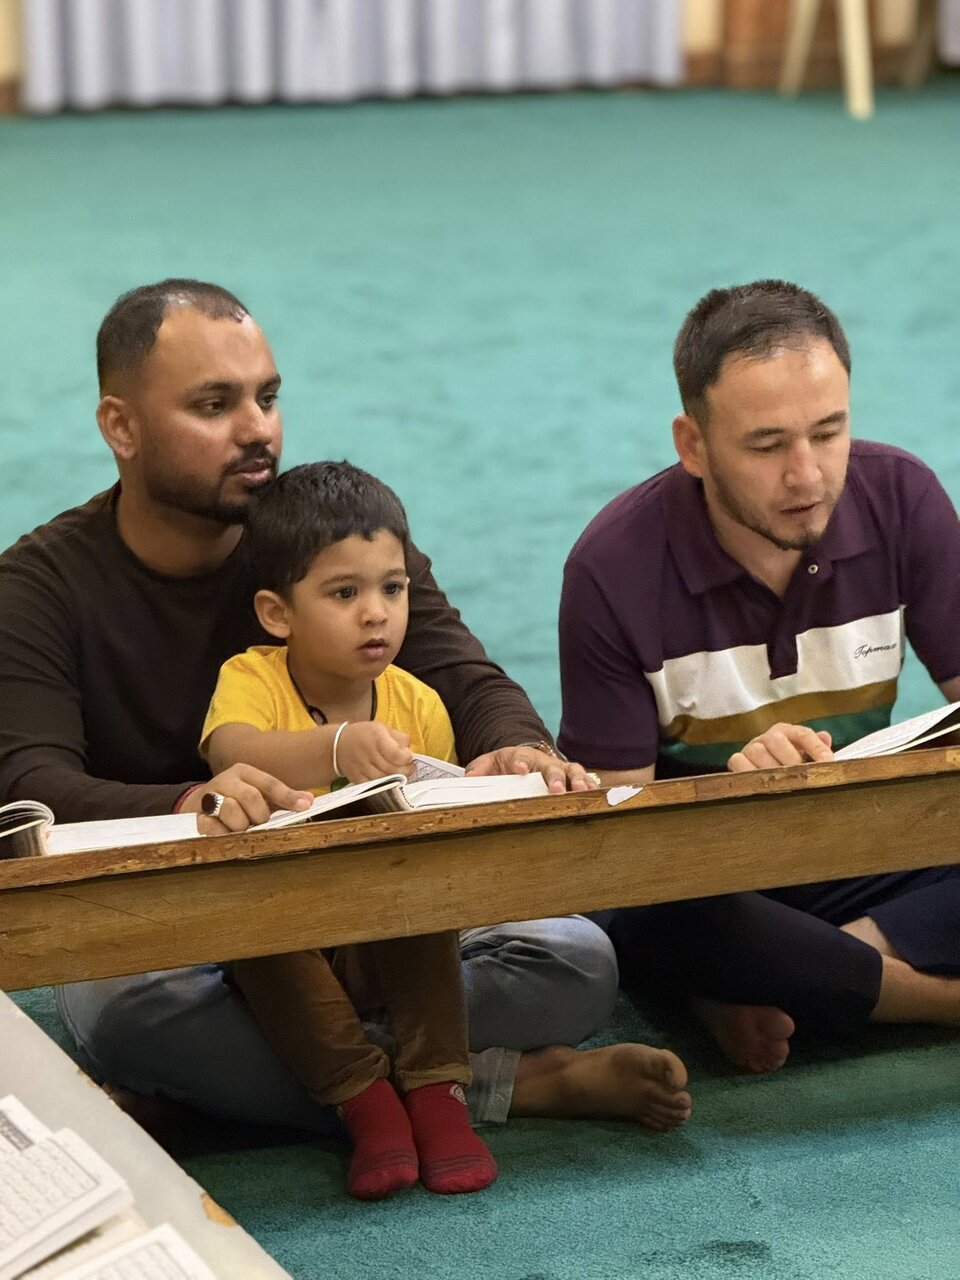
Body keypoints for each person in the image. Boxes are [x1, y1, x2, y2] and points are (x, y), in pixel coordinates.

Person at [0, 278, 691, 1136]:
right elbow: (29, 786)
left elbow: (468, 679)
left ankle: (238, 1104)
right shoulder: (36, 589)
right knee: (130, 1012)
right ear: (121, 426)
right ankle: (493, 1086)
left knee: (577, 960)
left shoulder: (333, 546)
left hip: (372, 913)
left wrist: (517, 746)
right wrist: (190, 804)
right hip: (185, 930)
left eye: (267, 397)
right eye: (214, 405)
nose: (257, 429)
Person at [558, 279, 960, 1075]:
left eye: (829, 432)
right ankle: (926, 998)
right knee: (631, 922)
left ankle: (791, 979)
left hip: (859, 845)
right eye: (768, 445)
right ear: (694, 445)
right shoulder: (611, 568)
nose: (807, 477)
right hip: (711, 879)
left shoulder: (903, 499)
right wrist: (736, 804)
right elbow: (609, 850)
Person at [201, 459, 498, 1199]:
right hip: (290, 940)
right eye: (345, 593)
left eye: (392, 589)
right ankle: (364, 1099)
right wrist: (335, 749)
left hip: (385, 929)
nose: (376, 614)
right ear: (278, 613)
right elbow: (230, 750)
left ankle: (437, 1090)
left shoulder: (417, 701)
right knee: (254, 933)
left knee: (432, 907)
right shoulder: (252, 676)